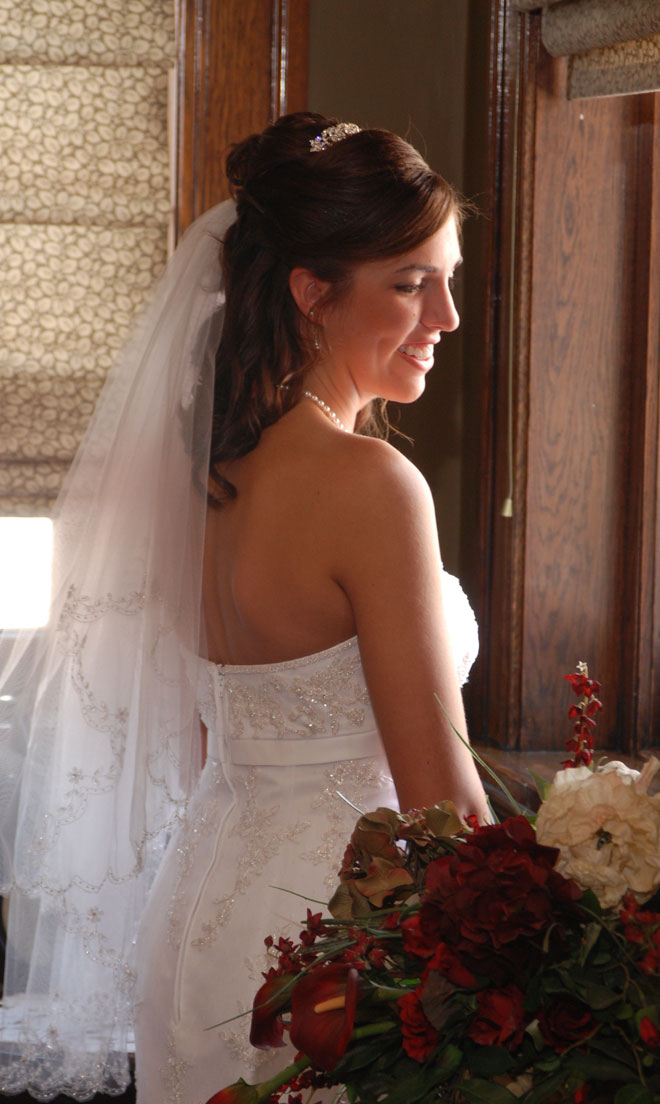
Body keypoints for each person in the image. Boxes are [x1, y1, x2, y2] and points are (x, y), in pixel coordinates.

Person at [0, 112, 487, 1103]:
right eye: (410, 282)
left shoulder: (198, 473)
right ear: (314, 292)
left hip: (199, 916)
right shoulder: (372, 486)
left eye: (449, 278)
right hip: (340, 938)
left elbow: (191, 737)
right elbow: (442, 801)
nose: (447, 315)